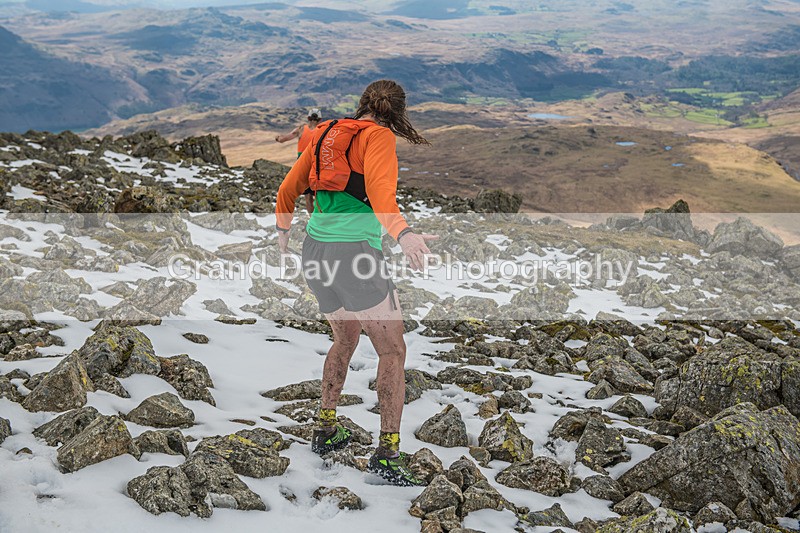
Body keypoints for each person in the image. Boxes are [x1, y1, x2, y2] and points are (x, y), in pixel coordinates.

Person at [275, 80, 437, 486]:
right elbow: (382, 194)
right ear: (397, 111)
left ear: (363, 104)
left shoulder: (325, 132)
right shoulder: (378, 137)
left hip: (315, 250)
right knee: (393, 351)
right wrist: (403, 234)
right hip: (355, 257)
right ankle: (387, 454)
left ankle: (326, 430)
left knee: (345, 339)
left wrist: (283, 235)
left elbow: (287, 189)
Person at [276, 109, 322, 212]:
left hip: (302, 164)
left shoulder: (301, 129)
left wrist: (278, 138)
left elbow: (284, 139)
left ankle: (311, 219)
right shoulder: (321, 130)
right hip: (316, 164)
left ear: (308, 118)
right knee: (318, 195)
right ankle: (319, 220)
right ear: (319, 119)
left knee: (308, 197)